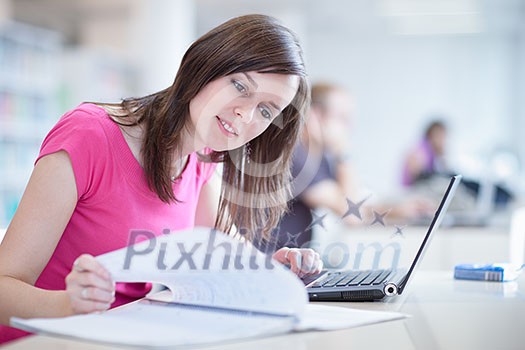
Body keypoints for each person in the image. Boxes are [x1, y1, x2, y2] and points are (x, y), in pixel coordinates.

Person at [0, 14, 322, 344]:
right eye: (240, 86)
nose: (246, 114)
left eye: (267, 110)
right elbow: (3, 287)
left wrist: (273, 271)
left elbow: (218, 268)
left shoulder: (203, 162)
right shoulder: (89, 134)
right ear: (204, 65)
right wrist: (67, 304)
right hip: (39, 341)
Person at [261, 83, 433, 251]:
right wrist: (344, 153)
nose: (349, 128)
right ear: (315, 115)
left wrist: (398, 211)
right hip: (269, 264)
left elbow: (354, 206)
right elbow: (352, 215)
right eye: (343, 118)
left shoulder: (316, 157)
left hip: (289, 262)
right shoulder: (295, 156)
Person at [402, 119, 448, 186]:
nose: (443, 141)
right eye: (440, 136)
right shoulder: (422, 149)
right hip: (411, 191)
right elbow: (416, 173)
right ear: (431, 136)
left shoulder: (432, 152)